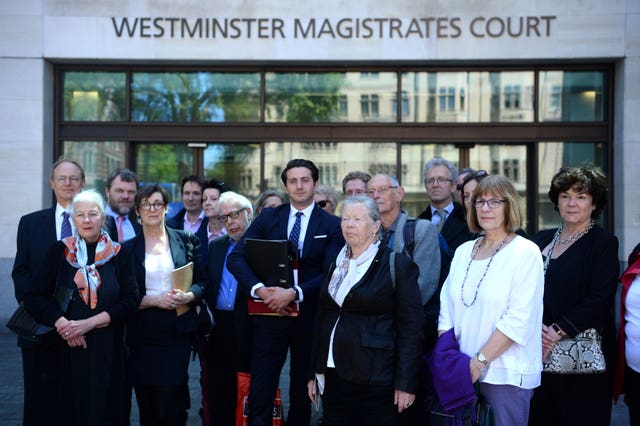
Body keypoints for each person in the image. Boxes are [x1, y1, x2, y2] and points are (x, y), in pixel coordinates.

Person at [227, 159, 344, 426]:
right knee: (261, 390)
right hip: (269, 315)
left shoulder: (332, 225)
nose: (299, 185)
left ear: (315, 183)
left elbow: (332, 272)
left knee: (302, 394)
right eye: (293, 180)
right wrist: (260, 290)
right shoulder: (269, 217)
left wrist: (294, 293)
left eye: (305, 180)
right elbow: (236, 258)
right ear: (285, 185)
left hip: (310, 319)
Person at [23, 189, 139, 425]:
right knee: (68, 411)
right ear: (73, 219)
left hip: (108, 350)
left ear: (103, 218)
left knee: (106, 411)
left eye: (93, 214)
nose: (87, 220)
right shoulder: (59, 251)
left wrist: (88, 324)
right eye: (81, 215)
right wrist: (65, 325)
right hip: (64, 348)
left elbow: (131, 300)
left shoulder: (120, 254)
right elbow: (34, 296)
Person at [307, 195, 424, 425]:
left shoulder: (397, 264)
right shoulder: (336, 263)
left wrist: (406, 383)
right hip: (333, 374)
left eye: (358, 219)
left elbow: (412, 330)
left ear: (376, 226)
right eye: (346, 219)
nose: (349, 225)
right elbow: (323, 318)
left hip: (375, 379)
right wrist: (313, 371)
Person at [437, 175, 544, 426]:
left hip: (505, 374)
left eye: (495, 201)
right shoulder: (464, 251)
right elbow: (446, 310)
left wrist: (478, 364)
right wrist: (452, 361)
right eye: (480, 201)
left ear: (510, 206)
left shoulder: (525, 252)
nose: (486, 208)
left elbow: (518, 319)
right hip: (461, 373)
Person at [529, 167, 619, 425]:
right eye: (565, 195)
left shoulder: (603, 243)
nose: (571, 203)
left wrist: (556, 331)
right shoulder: (541, 240)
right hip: (539, 354)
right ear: (556, 201)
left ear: (594, 204)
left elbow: (600, 298)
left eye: (581, 196)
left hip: (582, 362)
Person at [11, 157, 85, 425]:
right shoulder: (30, 223)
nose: (68, 183)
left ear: (83, 183)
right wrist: (48, 315)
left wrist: (75, 322)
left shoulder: (94, 223)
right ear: (51, 183)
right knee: (39, 406)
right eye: (62, 178)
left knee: (76, 405)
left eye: (74, 178)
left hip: (80, 331)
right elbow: (21, 273)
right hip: (39, 329)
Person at [125, 184, 206, 425]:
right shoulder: (127, 249)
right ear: (138, 211)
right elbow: (123, 296)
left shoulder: (186, 240)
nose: (152, 209)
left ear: (166, 208)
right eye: (146, 204)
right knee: (148, 403)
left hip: (176, 333)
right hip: (142, 334)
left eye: (157, 203)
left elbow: (203, 282)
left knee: (171, 403)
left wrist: (189, 296)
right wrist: (152, 300)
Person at [367, 172, 440, 425]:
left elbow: (425, 287)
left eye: (382, 189)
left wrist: (376, 307)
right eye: (371, 191)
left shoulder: (421, 230)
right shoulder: (365, 234)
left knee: (407, 413)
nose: (376, 195)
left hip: (406, 341)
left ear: (399, 194)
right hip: (372, 345)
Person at [204, 191, 254, 426]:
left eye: (234, 215)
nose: (230, 222)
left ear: (248, 213)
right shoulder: (216, 247)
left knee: (247, 392)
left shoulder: (260, 246)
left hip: (249, 327)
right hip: (218, 328)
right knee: (218, 393)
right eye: (224, 218)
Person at [417, 157, 473, 252]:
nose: (435, 185)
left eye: (441, 179)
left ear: (453, 186)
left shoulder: (469, 220)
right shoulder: (418, 223)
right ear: (425, 186)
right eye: (430, 180)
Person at [166, 175, 208, 260]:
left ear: (203, 197)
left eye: (196, 193)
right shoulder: (171, 225)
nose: (190, 198)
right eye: (187, 193)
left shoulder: (212, 223)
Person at [104, 167, 142, 242]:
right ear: (108, 192)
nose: (126, 196)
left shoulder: (140, 231)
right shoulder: (93, 224)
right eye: (120, 191)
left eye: (131, 192)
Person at [202, 178, 231, 243]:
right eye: (204, 199)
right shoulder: (198, 234)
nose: (207, 203)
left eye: (214, 199)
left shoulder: (234, 231)